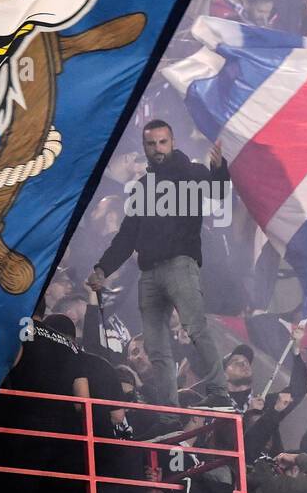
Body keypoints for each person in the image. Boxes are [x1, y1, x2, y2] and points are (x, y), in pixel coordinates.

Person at [88, 120, 232, 410]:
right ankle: (168, 409)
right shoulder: (141, 187)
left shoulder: (193, 172)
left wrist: (219, 169)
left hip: (180, 264)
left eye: (162, 142)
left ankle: (219, 391)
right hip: (149, 272)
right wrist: (103, 268)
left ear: (173, 141)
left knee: (195, 327)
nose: (157, 148)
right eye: (151, 144)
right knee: (155, 346)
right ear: (145, 147)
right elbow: (127, 236)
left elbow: (218, 195)